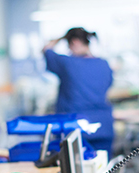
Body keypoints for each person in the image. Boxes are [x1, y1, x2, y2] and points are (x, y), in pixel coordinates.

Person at [43, 27, 114, 156]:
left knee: (75, 172)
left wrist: (60, 38)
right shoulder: (104, 64)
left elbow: (46, 49)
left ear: (75, 42)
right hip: (103, 126)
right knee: (102, 169)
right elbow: (108, 87)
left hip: (76, 127)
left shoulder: (67, 63)